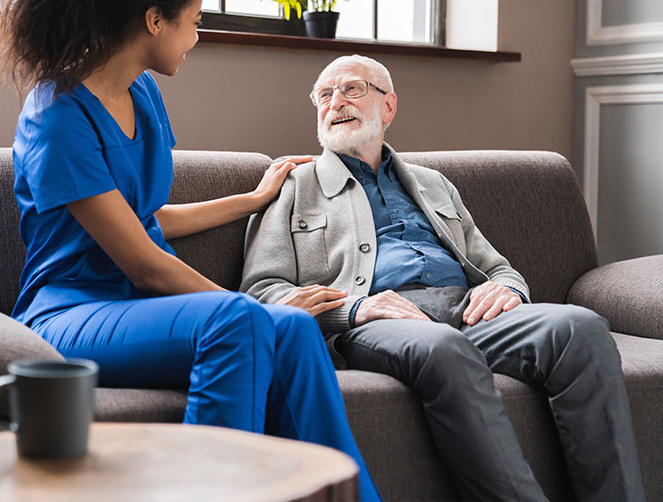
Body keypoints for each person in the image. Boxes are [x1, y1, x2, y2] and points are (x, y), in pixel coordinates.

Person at [0, 0, 380, 501]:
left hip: (139, 310)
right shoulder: (56, 114)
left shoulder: (142, 92)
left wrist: (252, 198)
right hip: (69, 311)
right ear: (154, 20)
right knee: (239, 321)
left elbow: (145, 219)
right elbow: (144, 264)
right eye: (193, 22)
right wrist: (250, 305)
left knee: (290, 329)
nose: (196, 38)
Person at [240, 54, 645, 502]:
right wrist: (354, 308)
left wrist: (506, 288)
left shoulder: (434, 183)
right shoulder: (294, 186)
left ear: (388, 106)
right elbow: (262, 291)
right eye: (324, 95)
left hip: (466, 309)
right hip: (376, 321)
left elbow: (498, 267)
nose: (335, 102)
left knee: (580, 328)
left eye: (351, 89)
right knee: (444, 348)